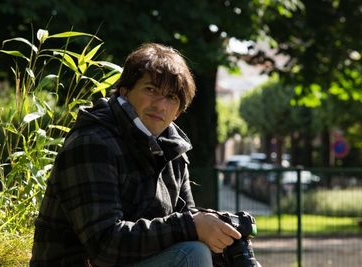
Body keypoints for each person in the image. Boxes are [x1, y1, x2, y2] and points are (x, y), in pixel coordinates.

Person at [30, 43, 241, 267]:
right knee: (191, 254)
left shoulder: (173, 151)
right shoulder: (93, 142)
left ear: (178, 112)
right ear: (125, 92)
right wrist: (192, 226)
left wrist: (225, 240)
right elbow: (104, 246)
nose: (160, 105)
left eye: (171, 97)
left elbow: (185, 224)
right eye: (151, 90)